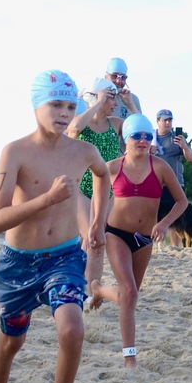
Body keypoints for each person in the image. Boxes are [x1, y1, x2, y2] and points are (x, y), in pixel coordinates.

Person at [0, 71, 109, 383]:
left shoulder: (82, 152)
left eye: (70, 106)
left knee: (72, 330)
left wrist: (97, 222)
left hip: (64, 257)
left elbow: (103, 176)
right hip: (18, 264)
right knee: (11, 342)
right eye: (55, 104)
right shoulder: (16, 152)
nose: (63, 112)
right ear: (37, 105)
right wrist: (48, 200)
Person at [92, 114, 188, 367]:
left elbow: (182, 201)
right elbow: (98, 201)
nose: (143, 140)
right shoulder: (112, 167)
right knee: (130, 292)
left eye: (148, 136)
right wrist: (96, 228)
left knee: (130, 296)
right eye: (137, 135)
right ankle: (129, 358)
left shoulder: (160, 167)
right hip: (117, 233)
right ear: (127, 139)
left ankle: (99, 289)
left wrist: (164, 223)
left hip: (145, 238)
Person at [68, 78, 123, 291]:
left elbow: (139, 127)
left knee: (97, 243)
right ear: (99, 97)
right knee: (91, 240)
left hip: (107, 192)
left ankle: (89, 292)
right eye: (112, 99)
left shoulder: (116, 124)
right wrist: (98, 104)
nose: (115, 104)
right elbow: (73, 129)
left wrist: (131, 105)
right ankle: (83, 290)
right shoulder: (82, 122)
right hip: (81, 190)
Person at [151, 109, 192, 247]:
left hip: (175, 182)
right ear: (158, 121)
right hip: (155, 183)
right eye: (165, 120)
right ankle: (158, 244)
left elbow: (190, 158)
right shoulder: (150, 137)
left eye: (170, 120)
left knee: (175, 214)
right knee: (155, 213)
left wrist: (184, 146)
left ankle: (174, 247)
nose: (168, 123)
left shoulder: (176, 138)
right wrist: (149, 151)